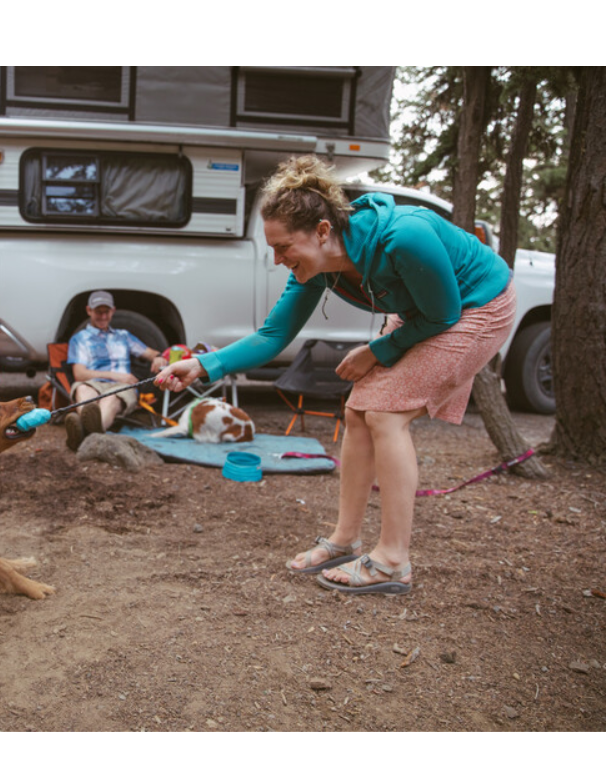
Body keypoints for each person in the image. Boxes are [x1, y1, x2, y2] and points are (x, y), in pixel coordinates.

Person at [155, 156, 516, 596]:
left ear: (322, 231)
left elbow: (444, 314)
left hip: (477, 305)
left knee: (385, 413)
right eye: (272, 249)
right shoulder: (316, 268)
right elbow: (273, 335)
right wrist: (202, 365)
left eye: (283, 247)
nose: (277, 259)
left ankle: (393, 560)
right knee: (358, 410)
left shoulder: (405, 237)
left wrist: (377, 350)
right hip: (425, 312)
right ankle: (346, 540)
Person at [66, 291, 166, 451]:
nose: (103, 316)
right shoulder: (80, 339)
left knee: (111, 398)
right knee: (83, 389)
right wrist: (115, 375)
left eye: (106, 312)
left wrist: (158, 357)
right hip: (92, 383)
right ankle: (91, 433)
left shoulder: (123, 336)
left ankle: (82, 433)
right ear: (89, 311)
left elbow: (151, 353)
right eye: (98, 312)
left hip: (121, 387)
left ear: (113, 311)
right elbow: (79, 374)